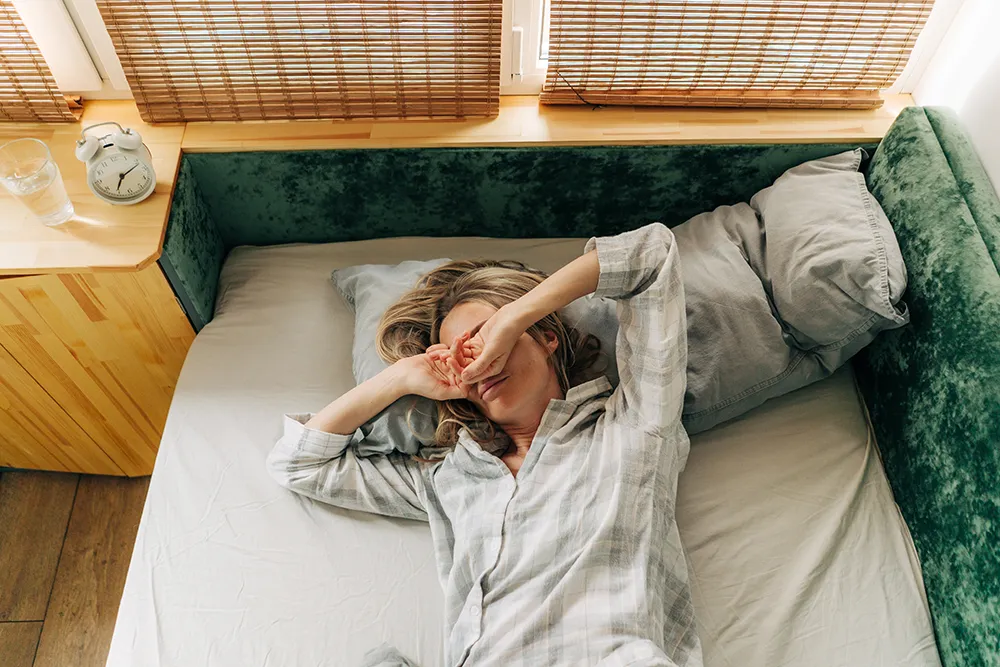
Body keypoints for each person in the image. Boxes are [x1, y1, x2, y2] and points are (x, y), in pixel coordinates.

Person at [267, 223, 702, 667]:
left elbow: (650, 256)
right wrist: (400, 379)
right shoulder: (448, 478)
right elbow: (299, 465)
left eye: (484, 337)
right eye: (458, 356)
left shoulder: (634, 424)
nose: (477, 361)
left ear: (546, 336)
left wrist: (513, 317)